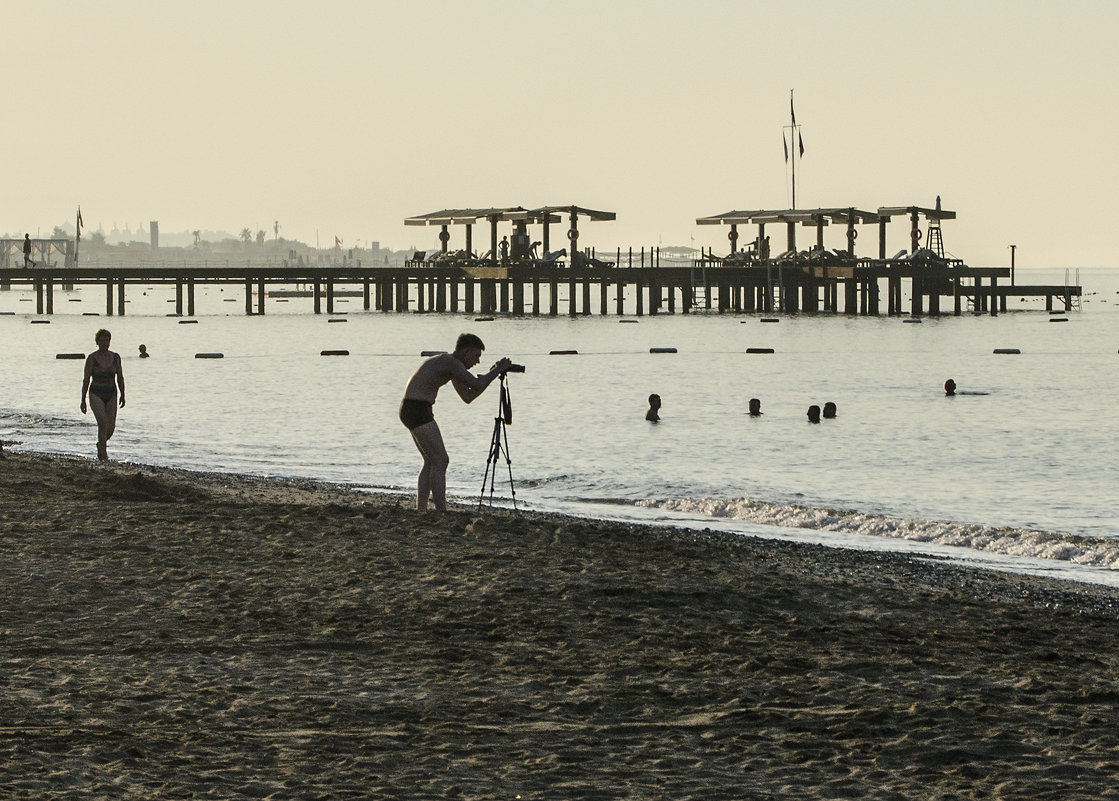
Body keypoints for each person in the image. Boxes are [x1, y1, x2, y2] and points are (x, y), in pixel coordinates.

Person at [399, 333, 512, 511]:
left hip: (413, 409)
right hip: (416, 408)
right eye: (476, 356)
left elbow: (468, 396)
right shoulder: (451, 363)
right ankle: (441, 510)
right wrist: (496, 370)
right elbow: (476, 384)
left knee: (431, 460)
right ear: (466, 351)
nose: (477, 362)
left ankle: (421, 510)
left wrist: (492, 374)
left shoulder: (451, 366)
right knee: (441, 460)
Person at [80, 329, 126, 461]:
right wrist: (83, 399)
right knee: (102, 422)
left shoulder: (115, 357)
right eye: (102, 340)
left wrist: (123, 394)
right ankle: (104, 455)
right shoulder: (92, 358)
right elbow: (86, 379)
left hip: (111, 393)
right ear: (97, 342)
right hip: (96, 393)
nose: (104, 343)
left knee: (111, 427)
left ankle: (101, 444)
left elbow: (120, 377)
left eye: (107, 340)